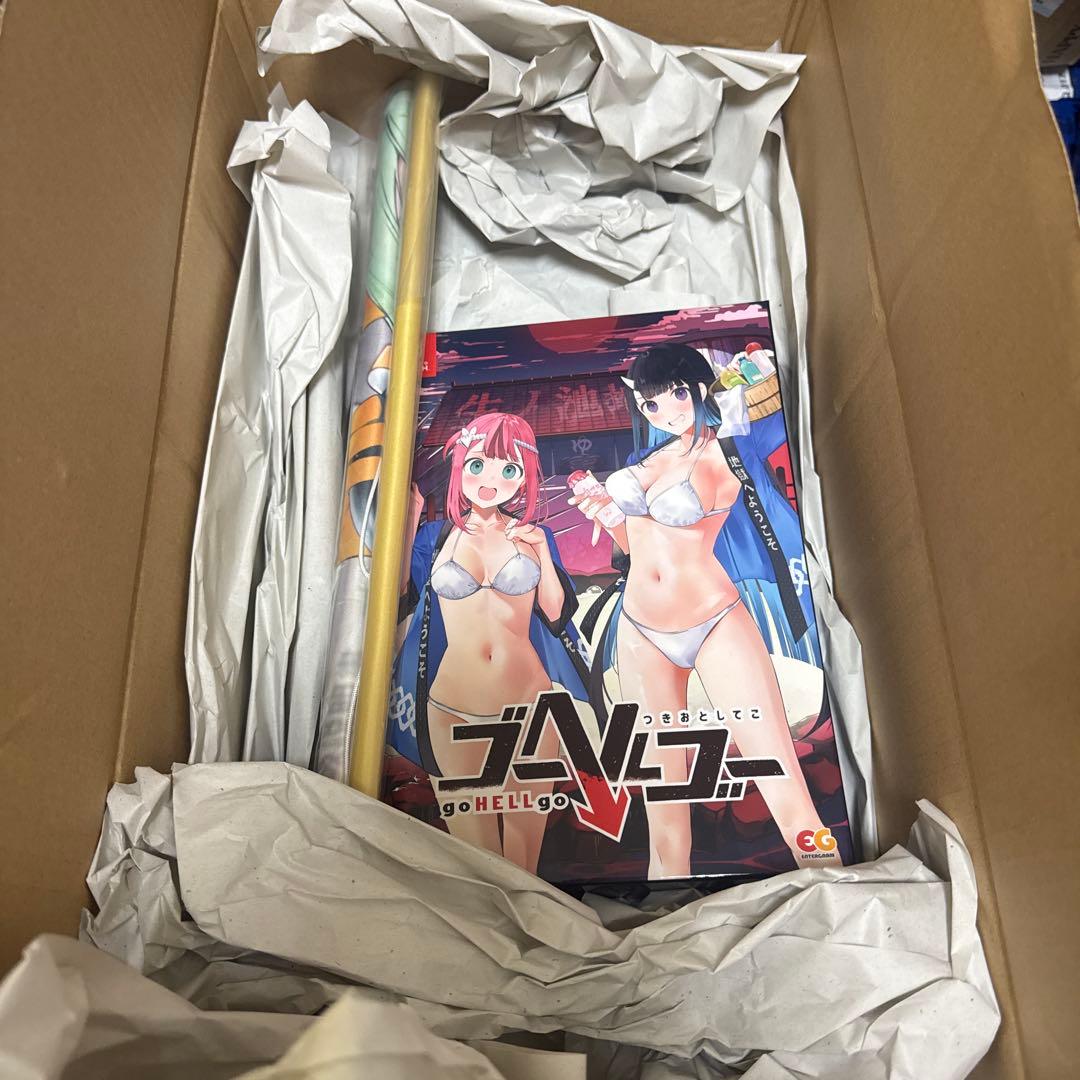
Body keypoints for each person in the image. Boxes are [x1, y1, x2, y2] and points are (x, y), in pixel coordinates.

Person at [570, 343, 840, 878]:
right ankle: (667, 904)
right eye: (650, 403)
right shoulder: (646, 459)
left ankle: (832, 881)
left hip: (714, 620)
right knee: (664, 805)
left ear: (698, 388)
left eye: (675, 394)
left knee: (779, 775)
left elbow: (773, 397)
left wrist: (748, 372)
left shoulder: (731, 448)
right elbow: (636, 547)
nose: (665, 411)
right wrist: (604, 512)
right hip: (640, 628)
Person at [390, 411, 592, 874]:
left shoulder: (532, 536)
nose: (490, 480)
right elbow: (398, 595)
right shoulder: (433, 537)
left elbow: (556, 615)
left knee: (526, 863)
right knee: (476, 863)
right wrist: (410, 519)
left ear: (524, 477)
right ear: (460, 464)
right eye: (478, 465)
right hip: (451, 708)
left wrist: (541, 551)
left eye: (509, 469)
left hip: (531, 706)